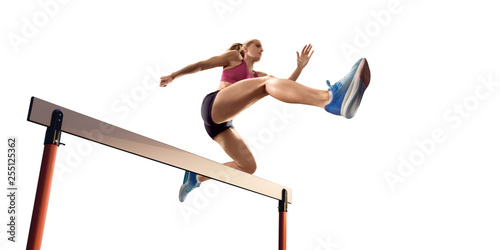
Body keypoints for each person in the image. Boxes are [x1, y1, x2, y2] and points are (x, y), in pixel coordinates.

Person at [159, 39, 371, 202]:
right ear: (245, 48)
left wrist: (299, 67)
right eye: (257, 45)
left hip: (221, 125)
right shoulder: (235, 58)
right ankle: (329, 99)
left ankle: (196, 177)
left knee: (248, 166)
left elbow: (285, 87)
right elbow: (201, 65)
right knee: (268, 83)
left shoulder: (258, 76)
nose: (262, 49)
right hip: (214, 106)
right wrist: (173, 75)